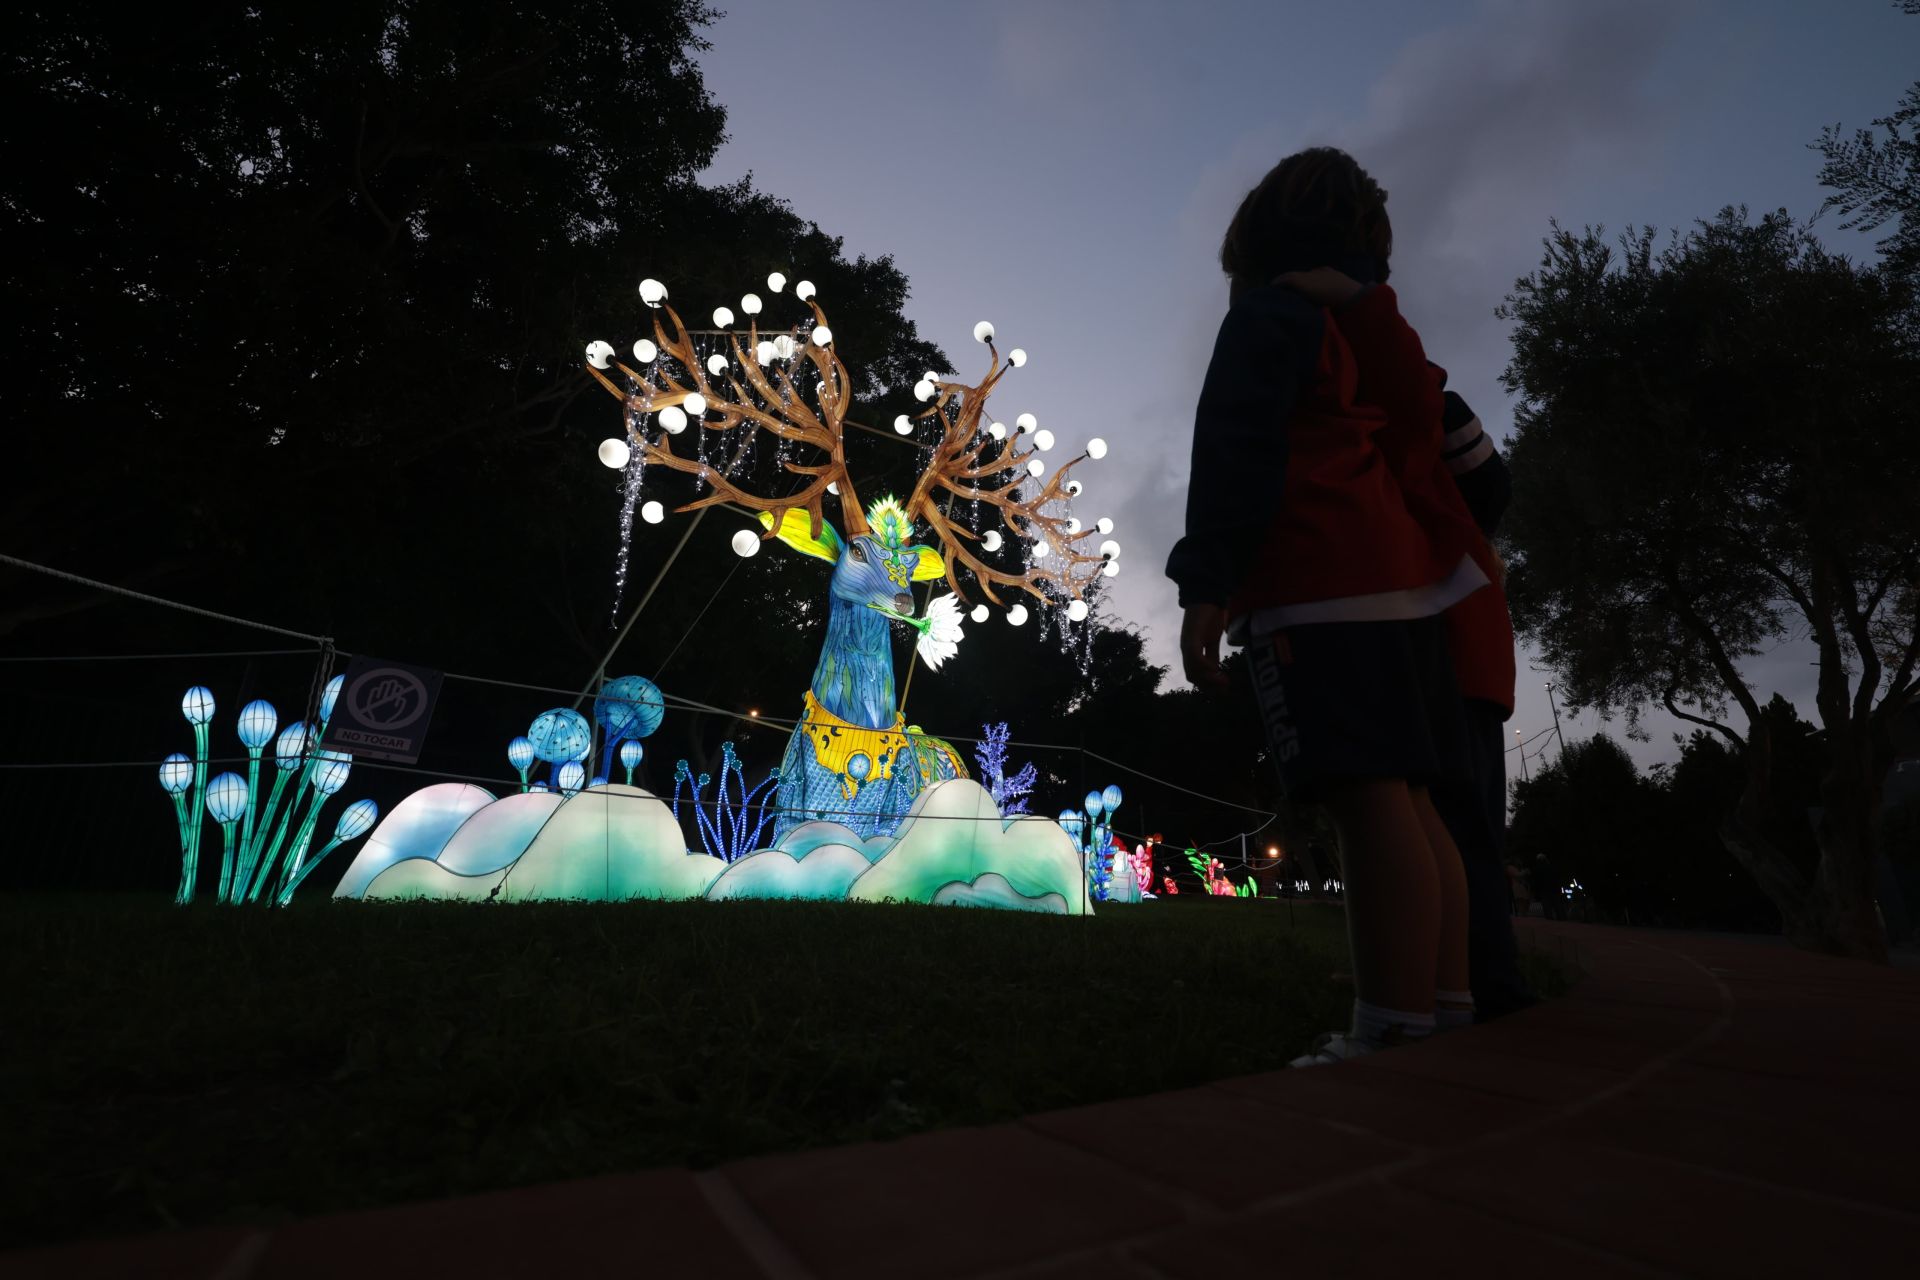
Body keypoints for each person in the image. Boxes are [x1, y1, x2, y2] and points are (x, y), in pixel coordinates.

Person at [1166, 147, 1491, 1066]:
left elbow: (1238, 453)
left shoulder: (1271, 317)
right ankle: (1444, 1003)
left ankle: (1388, 1024)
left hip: (1318, 584)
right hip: (1407, 587)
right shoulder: (1370, 324)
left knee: (1362, 800)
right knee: (1415, 802)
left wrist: (1207, 583)